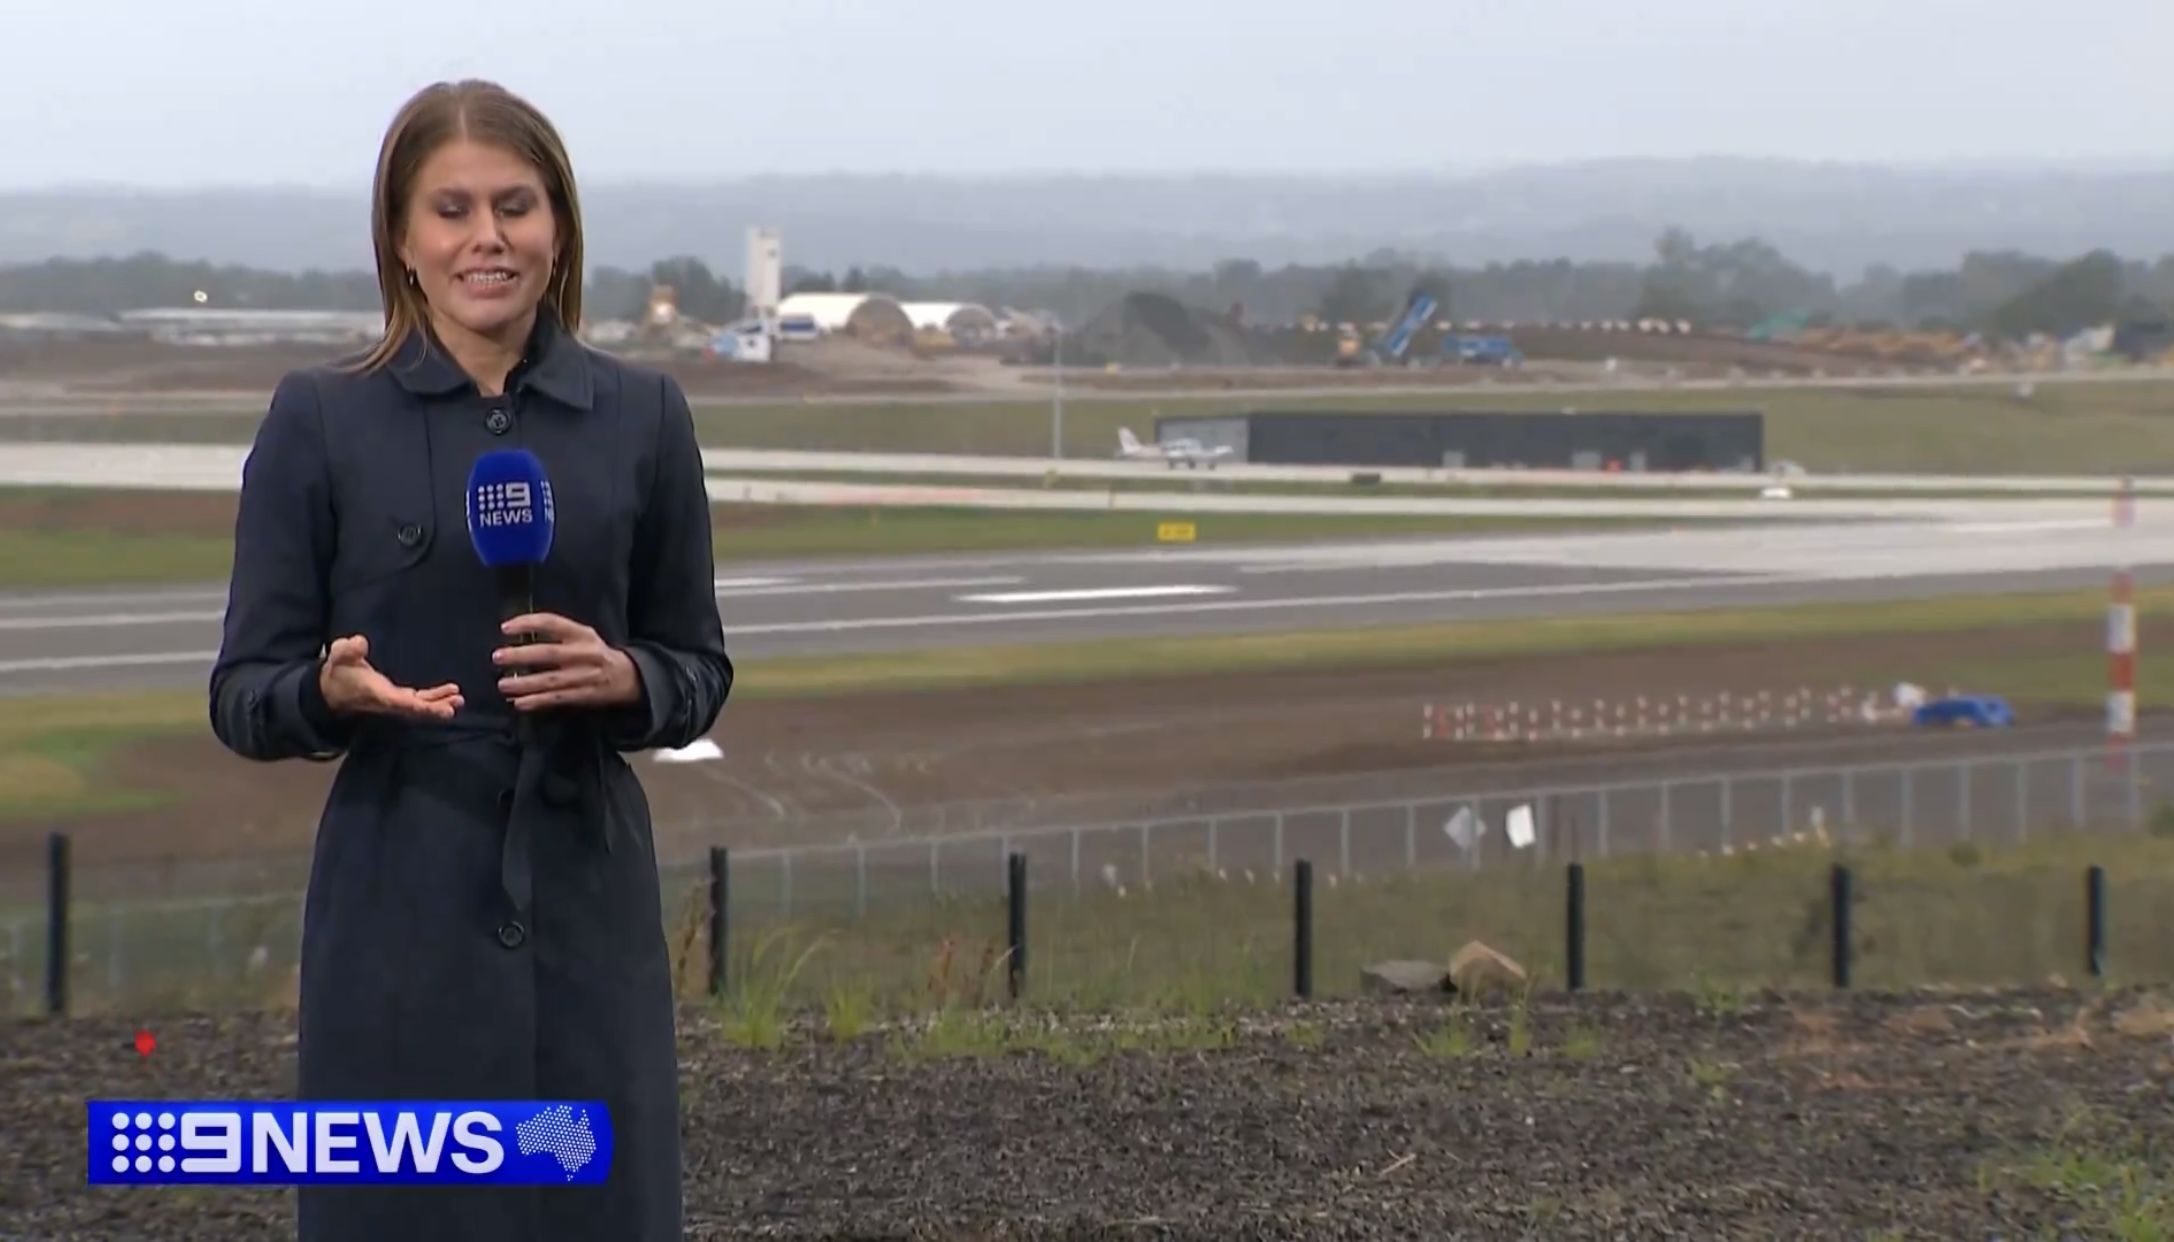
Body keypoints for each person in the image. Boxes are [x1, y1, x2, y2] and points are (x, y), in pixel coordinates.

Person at [207, 78, 731, 1241]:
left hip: (585, 908)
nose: (485, 237)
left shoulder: (642, 416)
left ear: (560, 231)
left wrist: (630, 680)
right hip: (397, 911)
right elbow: (242, 693)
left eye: (514, 206)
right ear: (402, 240)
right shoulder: (321, 420)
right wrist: (326, 694)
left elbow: (698, 666)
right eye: (450, 211)